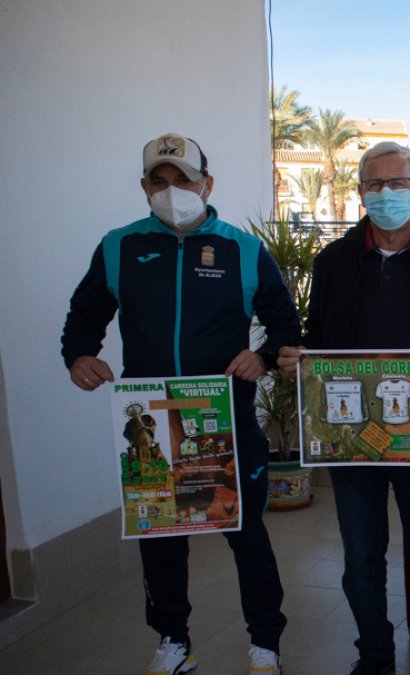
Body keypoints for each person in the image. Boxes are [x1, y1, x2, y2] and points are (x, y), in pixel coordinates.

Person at [61, 134, 299, 675]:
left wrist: (260, 356)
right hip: (152, 421)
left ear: (207, 184)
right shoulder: (120, 247)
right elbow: (85, 314)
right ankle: (173, 640)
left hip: (225, 418)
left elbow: (285, 324)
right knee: (161, 537)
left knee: (246, 536)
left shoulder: (242, 249)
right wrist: (79, 356)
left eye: (184, 180)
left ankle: (266, 642)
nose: (173, 191)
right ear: (144, 187)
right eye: (159, 182)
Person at [278, 141, 410, 675]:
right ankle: (374, 654)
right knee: (361, 563)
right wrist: (300, 358)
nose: (387, 193)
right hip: (353, 441)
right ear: (360, 193)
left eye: (399, 183)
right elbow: (318, 339)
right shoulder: (332, 262)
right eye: (376, 184)